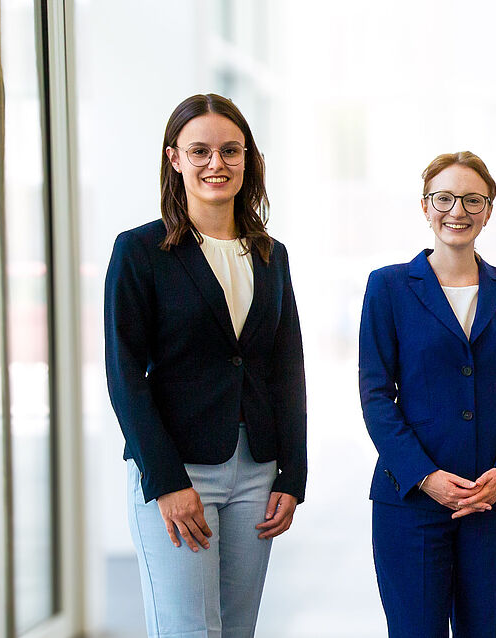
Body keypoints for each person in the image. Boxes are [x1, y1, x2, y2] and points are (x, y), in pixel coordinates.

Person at [104, 93, 307, 638]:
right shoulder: (140, 251)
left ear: (248, 159)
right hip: (179, 467)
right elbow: (124, 377)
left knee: (237, 630)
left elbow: (287, 369)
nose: (216, 164)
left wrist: (294, 471)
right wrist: (166, 481)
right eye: (200, 151)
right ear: (175, 159)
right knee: (189, 630)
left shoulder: (271, 253)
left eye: (230, 151)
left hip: (257, 471)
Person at [358, 151, 496, 638]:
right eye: (444, 198)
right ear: (425, 206)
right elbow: (376, 395)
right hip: (411, 503)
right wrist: (425, 476)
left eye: (471, 200)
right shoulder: (389, 287)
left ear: (488, 210)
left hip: (493, 502)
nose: (456, 210)